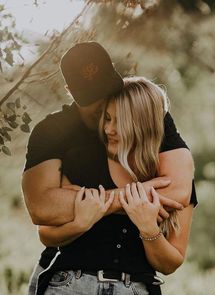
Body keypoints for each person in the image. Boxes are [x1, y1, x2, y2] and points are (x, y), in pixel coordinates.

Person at [21, 42, 195, 294]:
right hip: (68, 278)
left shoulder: (152, 117)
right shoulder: (54, 132)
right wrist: (130, 202)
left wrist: (86, 200)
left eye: (107, 89)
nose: (104, 104)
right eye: (92, 97)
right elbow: (43, 210)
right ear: (70, 92)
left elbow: (178, 191)